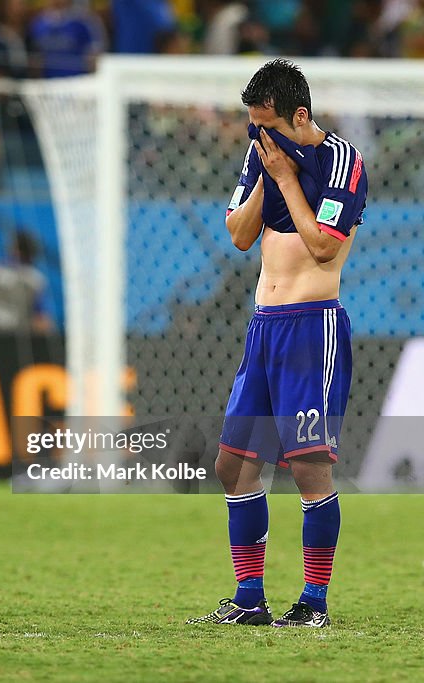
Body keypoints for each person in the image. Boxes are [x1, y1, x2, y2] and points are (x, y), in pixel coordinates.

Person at [187, 59, 367, 628]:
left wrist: (287, 178)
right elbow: (240, 236)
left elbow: (321, 247)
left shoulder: (343, 163)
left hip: (313, 329)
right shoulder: (261, 155)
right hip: (263, 327)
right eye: (252, 127)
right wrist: (270, 170)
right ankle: (249, 599)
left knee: (309, 466)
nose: (258, 137)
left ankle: (313, 603)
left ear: (301, 115)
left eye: (268, 125)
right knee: (233, 464)